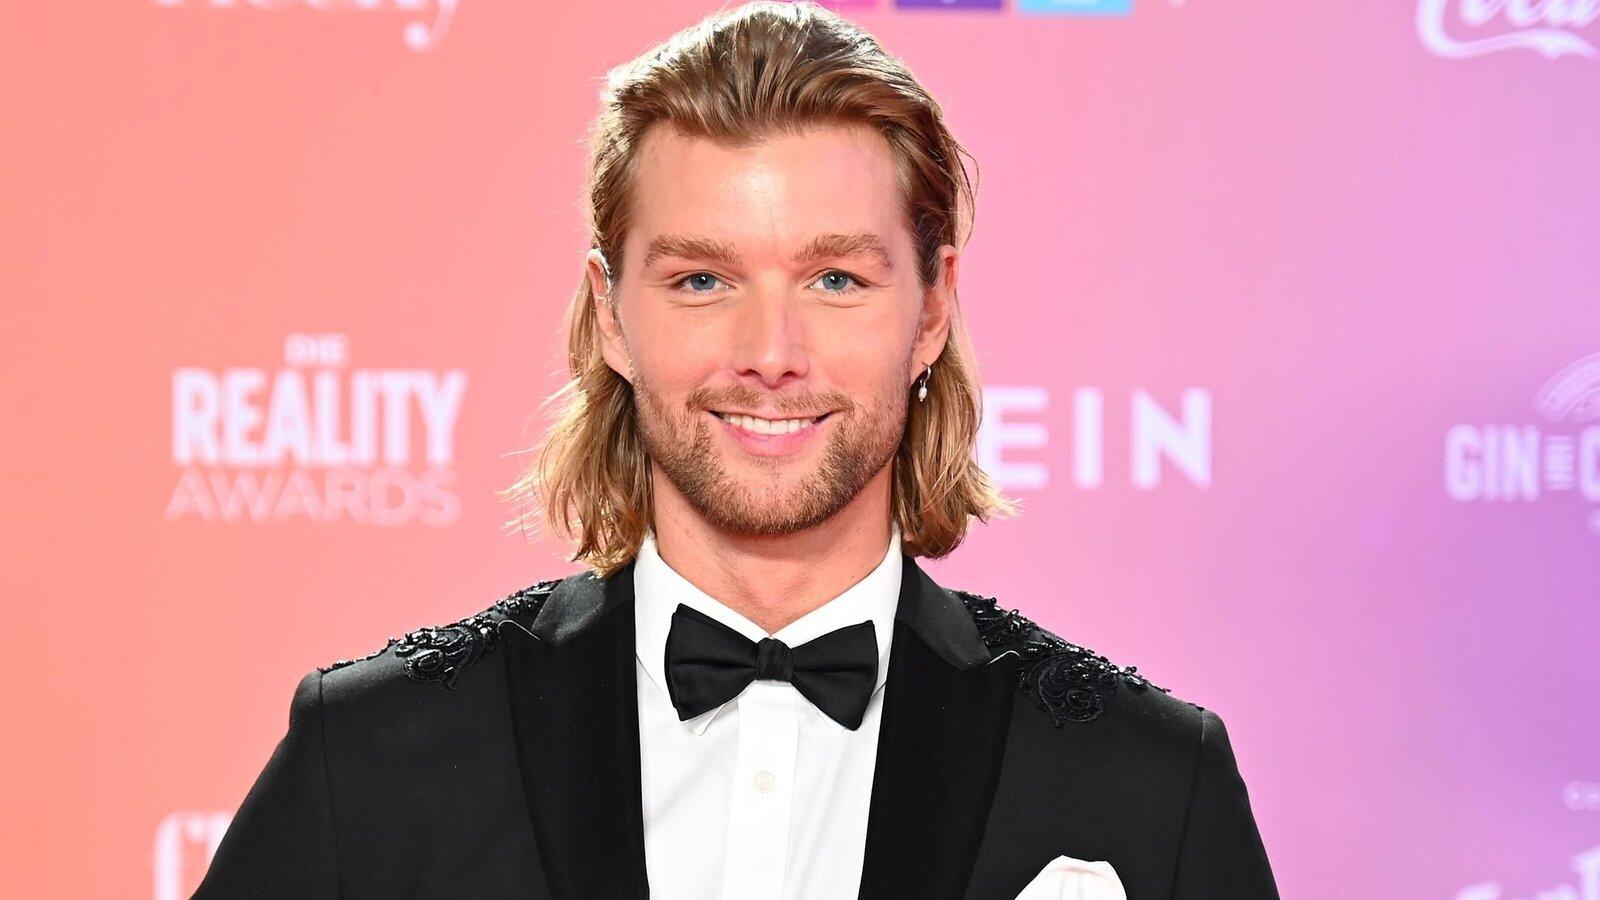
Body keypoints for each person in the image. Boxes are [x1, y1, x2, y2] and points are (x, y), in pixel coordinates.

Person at [194, 2, 1278, 897]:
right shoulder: (372, 759)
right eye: (702, 280)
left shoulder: (1146, 781)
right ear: (611, 314)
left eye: (836, 279)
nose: (770, 354)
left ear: (933, 310)